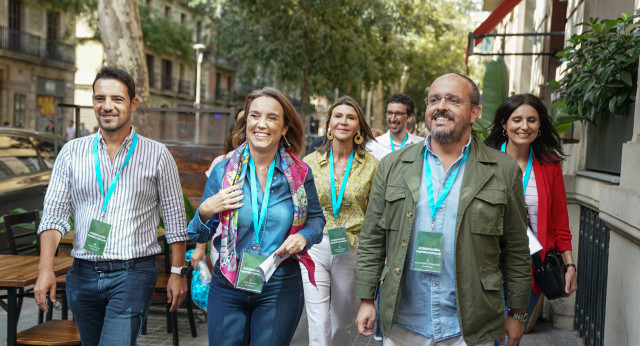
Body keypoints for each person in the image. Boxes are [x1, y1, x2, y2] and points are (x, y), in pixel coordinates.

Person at [354, 73, 532, 346]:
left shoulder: (503, 170)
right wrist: (367, 299)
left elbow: (517, 248)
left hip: (470, 326)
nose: (441, 106)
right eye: (434, 99)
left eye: (453, 100)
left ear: (475, 112)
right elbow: (372, 239)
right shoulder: (392, 165)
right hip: (404, 323)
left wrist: (518, 313)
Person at [33, 66, 190, 345]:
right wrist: (46, 269)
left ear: (133, 104)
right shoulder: (71, 152)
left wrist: (177, 273)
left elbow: (175, 219)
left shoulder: (157, 155)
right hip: (82, 274)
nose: (107, 106)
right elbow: (54, 216)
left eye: (117, 99)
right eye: (99, 98)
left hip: (133, 274)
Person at [187, 87, 326, 345]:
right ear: (246, 122)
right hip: (228, 284)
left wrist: (304, 237)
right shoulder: (222, 171)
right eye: (255, 116)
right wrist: (205, 211)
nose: (261, 124)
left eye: (272, 117)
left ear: (284, 128)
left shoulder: (300, 173)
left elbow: (317, 220)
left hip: (280, 284)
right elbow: (196, 233)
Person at [484, 94, 578, 343]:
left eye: (532, 120)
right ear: (504, 124)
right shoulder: (483, 160)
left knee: (510, 338)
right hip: (487, 266)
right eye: (516, 119)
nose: (524, 126)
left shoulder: (550, 164)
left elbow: (560, 221)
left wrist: (569, 265)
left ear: (540, 126)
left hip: (530, 270)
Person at [301, 96, 378, 345]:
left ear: (358, 126)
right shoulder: (309, 163)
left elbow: (376, 213)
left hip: (352, 248)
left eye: (350, 117)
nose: (343, 121)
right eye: (338, 116)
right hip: (314, 246)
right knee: (318, 322)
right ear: (329, 123)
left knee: (339, 324)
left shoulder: (372, 166)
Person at [192, 108, 245, 267]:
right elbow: (208, 207)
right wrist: (200, 247)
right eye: (242, 121)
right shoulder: (222, 163)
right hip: (223, 247)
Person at [367, 93, 424, 160]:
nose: (393, 119)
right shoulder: (373, 146)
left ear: (409, 117)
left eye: (398, 114)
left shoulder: (421, 145)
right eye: (390, 113)